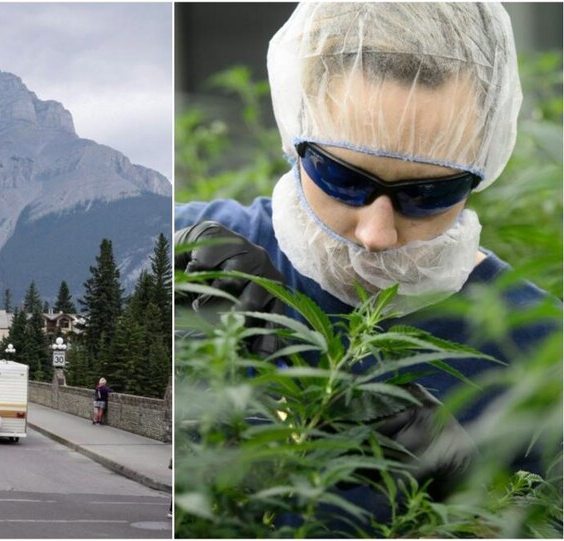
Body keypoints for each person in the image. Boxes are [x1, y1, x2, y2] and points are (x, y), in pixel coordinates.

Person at [176, 0, 560, 524]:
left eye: (429, 192)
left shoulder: (541, 352)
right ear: (296, 130)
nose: (376, 234)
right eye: (342, 177)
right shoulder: (194, 247)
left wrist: (483, 505)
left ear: (484, 162)